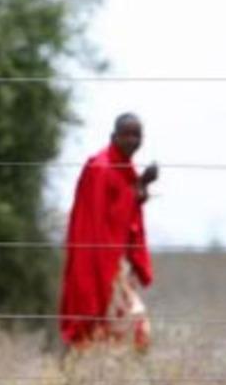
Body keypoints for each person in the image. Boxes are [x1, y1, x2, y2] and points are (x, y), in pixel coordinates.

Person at [60, 113, 158, 351]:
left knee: (117, 328)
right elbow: (102, 218)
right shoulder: (100, 168)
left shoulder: (124, 167)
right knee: (131, 322)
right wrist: (138, 187)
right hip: (97, 260)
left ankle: (107, 377)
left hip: (116, 261)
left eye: (137, 135)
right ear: (114, 136)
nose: (133, 140)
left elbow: (127, 205)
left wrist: (142, 185)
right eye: (127, 134)